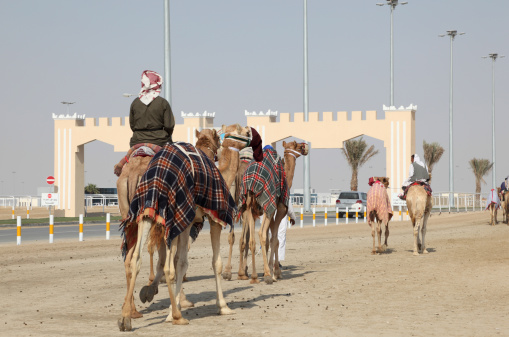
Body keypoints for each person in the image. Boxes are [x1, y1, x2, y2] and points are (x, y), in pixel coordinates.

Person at [114, 70, 175, 176]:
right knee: (175, 166)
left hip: (137, 141)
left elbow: (132, 125)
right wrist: (166, 135)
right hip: (160, 141)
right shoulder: (163, 103)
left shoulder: (135, 103)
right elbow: (169, 125)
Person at [277, 199, 296, 269]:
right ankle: (277, 262)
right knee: (280, 239)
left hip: (268, 217)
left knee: (270, 239)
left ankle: (269, 263)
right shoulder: (282, 188)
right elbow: (288, 205)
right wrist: (292, 217)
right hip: (280, 217)